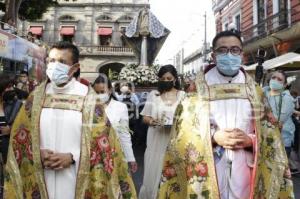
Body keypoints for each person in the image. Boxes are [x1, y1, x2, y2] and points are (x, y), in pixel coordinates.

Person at [157, 31, 294, 199]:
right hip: (210, 166)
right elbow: (183, 133)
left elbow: (270, 132)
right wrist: (213, 137)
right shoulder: (197, 89)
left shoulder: (255, 91)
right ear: (214, 56)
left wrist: (250, 140)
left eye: (235, 50)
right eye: (223, 50)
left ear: (242, 55)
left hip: (246, 167)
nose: (229, 54)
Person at [4, 41, 136, 199]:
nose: (54, 66)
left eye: (61, 62)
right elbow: (19, 139)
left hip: (75, 180)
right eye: (51, 61)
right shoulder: (36, 98)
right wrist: (35, 153)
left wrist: (73, 157)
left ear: (74, 68)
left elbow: (104, 146)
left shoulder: (89, 100)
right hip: (42, 176)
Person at [139, 64, 185, 199]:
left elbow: (187, 117)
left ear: (175, 79)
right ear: (159, 79)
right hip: (156, 140)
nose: (166, 81)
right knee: (154, 173)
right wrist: (153, 122)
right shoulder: (154, 95)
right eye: (163, 78)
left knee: (173, 173)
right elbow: (145, 117)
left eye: (169, 78)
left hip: (175, 140)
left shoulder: (183, 95)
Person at [92, 73, 138, 173]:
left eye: (102, 91)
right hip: (94, 156)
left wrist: (131, 158)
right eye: (97, 92)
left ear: (110, 90)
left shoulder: (120, 107)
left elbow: (124, 134)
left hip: (115, 154)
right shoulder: (89, 108)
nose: (99, 95)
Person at [263, 70, 296, 158]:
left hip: (282, 143)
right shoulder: (265, 92)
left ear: (284, 85)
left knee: (279, 170)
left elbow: (275, 121)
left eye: (279, 79)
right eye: (273, 78)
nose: (275, 80)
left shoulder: (287, 99)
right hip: (264, 140)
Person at [0, 74, 23, 198]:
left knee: (7, 176)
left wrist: (11, 130)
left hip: (7, 146)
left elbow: (23, 126)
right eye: (8, 87)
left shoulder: (17, 104)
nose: (11, 90)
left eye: (12, 86)